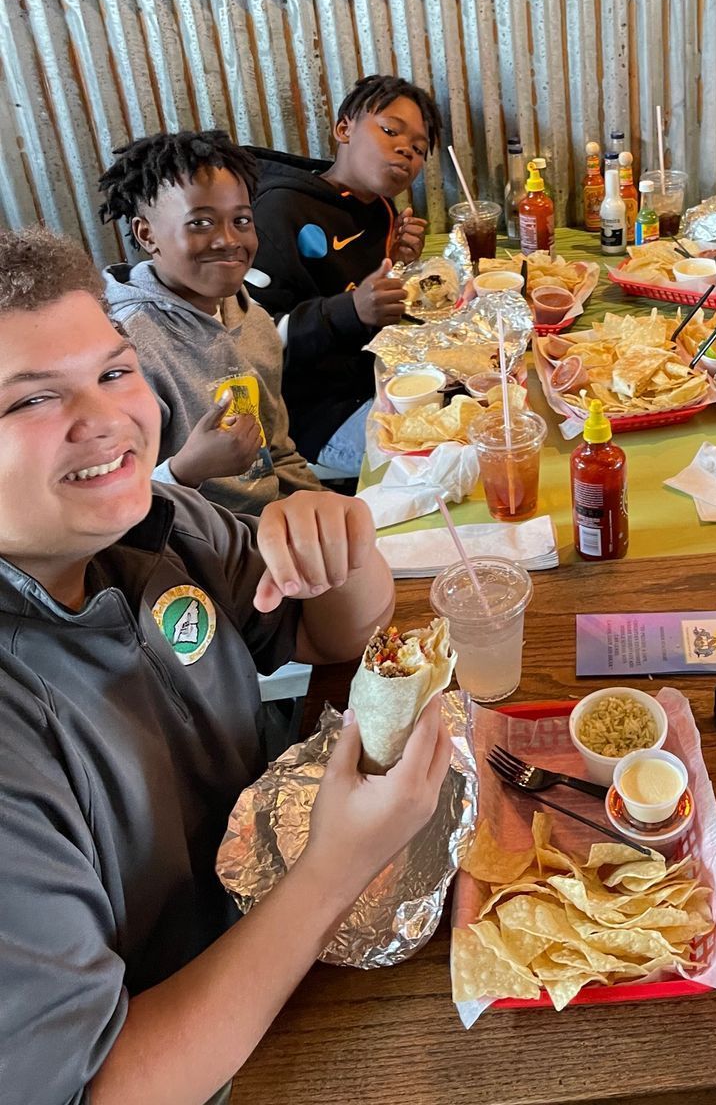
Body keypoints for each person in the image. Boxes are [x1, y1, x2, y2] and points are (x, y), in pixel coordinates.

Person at [0, 226, 451, 1104]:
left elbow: (331, 638)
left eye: (114, 372)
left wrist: (343, 547)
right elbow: (98, 1087)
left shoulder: (159, 525)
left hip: (288, 925)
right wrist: (335, 867)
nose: (106, 420)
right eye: (30, 401)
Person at [98, 130, 322, 515]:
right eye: (201, 223)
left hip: (271, 524)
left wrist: (324, 507)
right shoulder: (125, 350)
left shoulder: (255, 323)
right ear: (146, 234)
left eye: (242, 220)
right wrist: (185, 471)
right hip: (191, 543)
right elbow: (107, 508)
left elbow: (279, 452)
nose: (228, 240)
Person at [247, 74, 442, 474]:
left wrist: (396, 263)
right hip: (315, 416)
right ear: (344, 129)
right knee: (443, 463)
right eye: (390, 131)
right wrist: (350, 310)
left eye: (419, 149)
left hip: (378, 380)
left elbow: (357, 296)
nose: (405, 150)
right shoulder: (279, 212)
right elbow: (249, 343)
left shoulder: (381, 209)